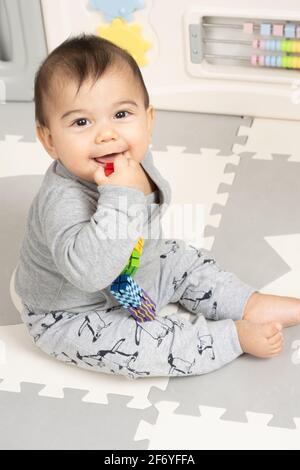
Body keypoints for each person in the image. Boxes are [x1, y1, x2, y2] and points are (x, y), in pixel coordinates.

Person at [14, 34, 300, 379]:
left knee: (182, 259)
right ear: (49, 141)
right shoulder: (61, 199)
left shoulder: (131, 157)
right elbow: (90, 274)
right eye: (81, 122)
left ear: (148, 120)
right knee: (136, 348)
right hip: (73, 310)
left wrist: (137, 188)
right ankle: (231, 338)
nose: (106, 134)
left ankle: (249, 303)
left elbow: (150, 213)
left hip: (134, 272)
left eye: (121, 114)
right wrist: (120, 196)